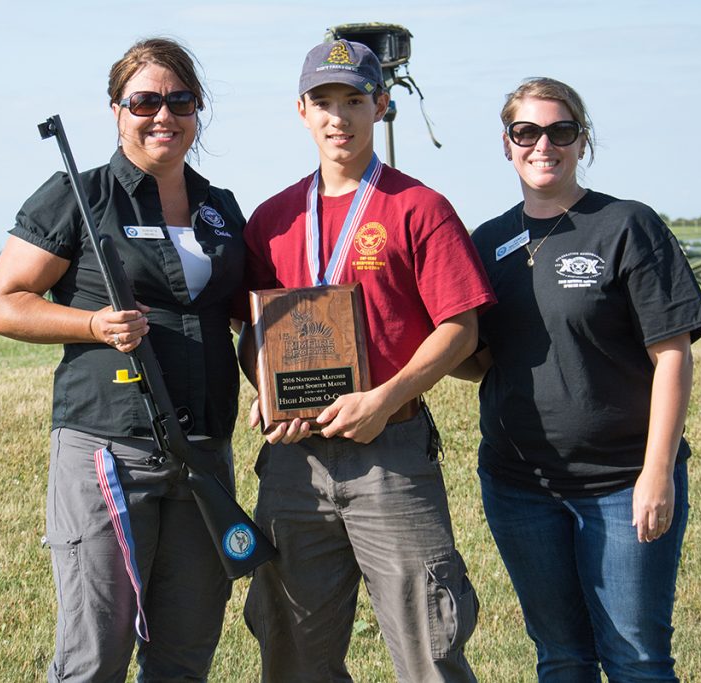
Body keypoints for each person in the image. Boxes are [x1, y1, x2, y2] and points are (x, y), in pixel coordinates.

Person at [0, 38, 245, 682]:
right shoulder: (78, 195)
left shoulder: (220, 207)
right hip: (108, 451)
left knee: (185, 652)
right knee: (95, 653)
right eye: (145, 100)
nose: (163, 115)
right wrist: (92, 324)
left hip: (204, 451)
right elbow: (1, 304)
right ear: (116, 110)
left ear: (198, 108)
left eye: (179, 99)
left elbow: (247, 316)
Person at [235, 40, 495, 682]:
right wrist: (264, 391)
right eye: (323, 101)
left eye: (354, 99)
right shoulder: (272, 219)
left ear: (381, 105)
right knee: (291, 650)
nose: (338, 116)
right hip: (295, 463)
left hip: (392, 453)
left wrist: (384, 399)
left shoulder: (419, 208)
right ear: (301, 110)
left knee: (428, 650)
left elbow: (460, 329)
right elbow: (252, 332)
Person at [461, 77, 701, 682]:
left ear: (582, 140)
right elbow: (478, 356)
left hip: (621, 483)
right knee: (561, 657)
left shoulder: (627, 225)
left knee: (636, 659)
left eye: (560, 131)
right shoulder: (487, 241)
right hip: (520, 486)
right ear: (507, 144)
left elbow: (673, 356)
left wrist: (656, 473)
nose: (542, 144)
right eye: (527, 132)